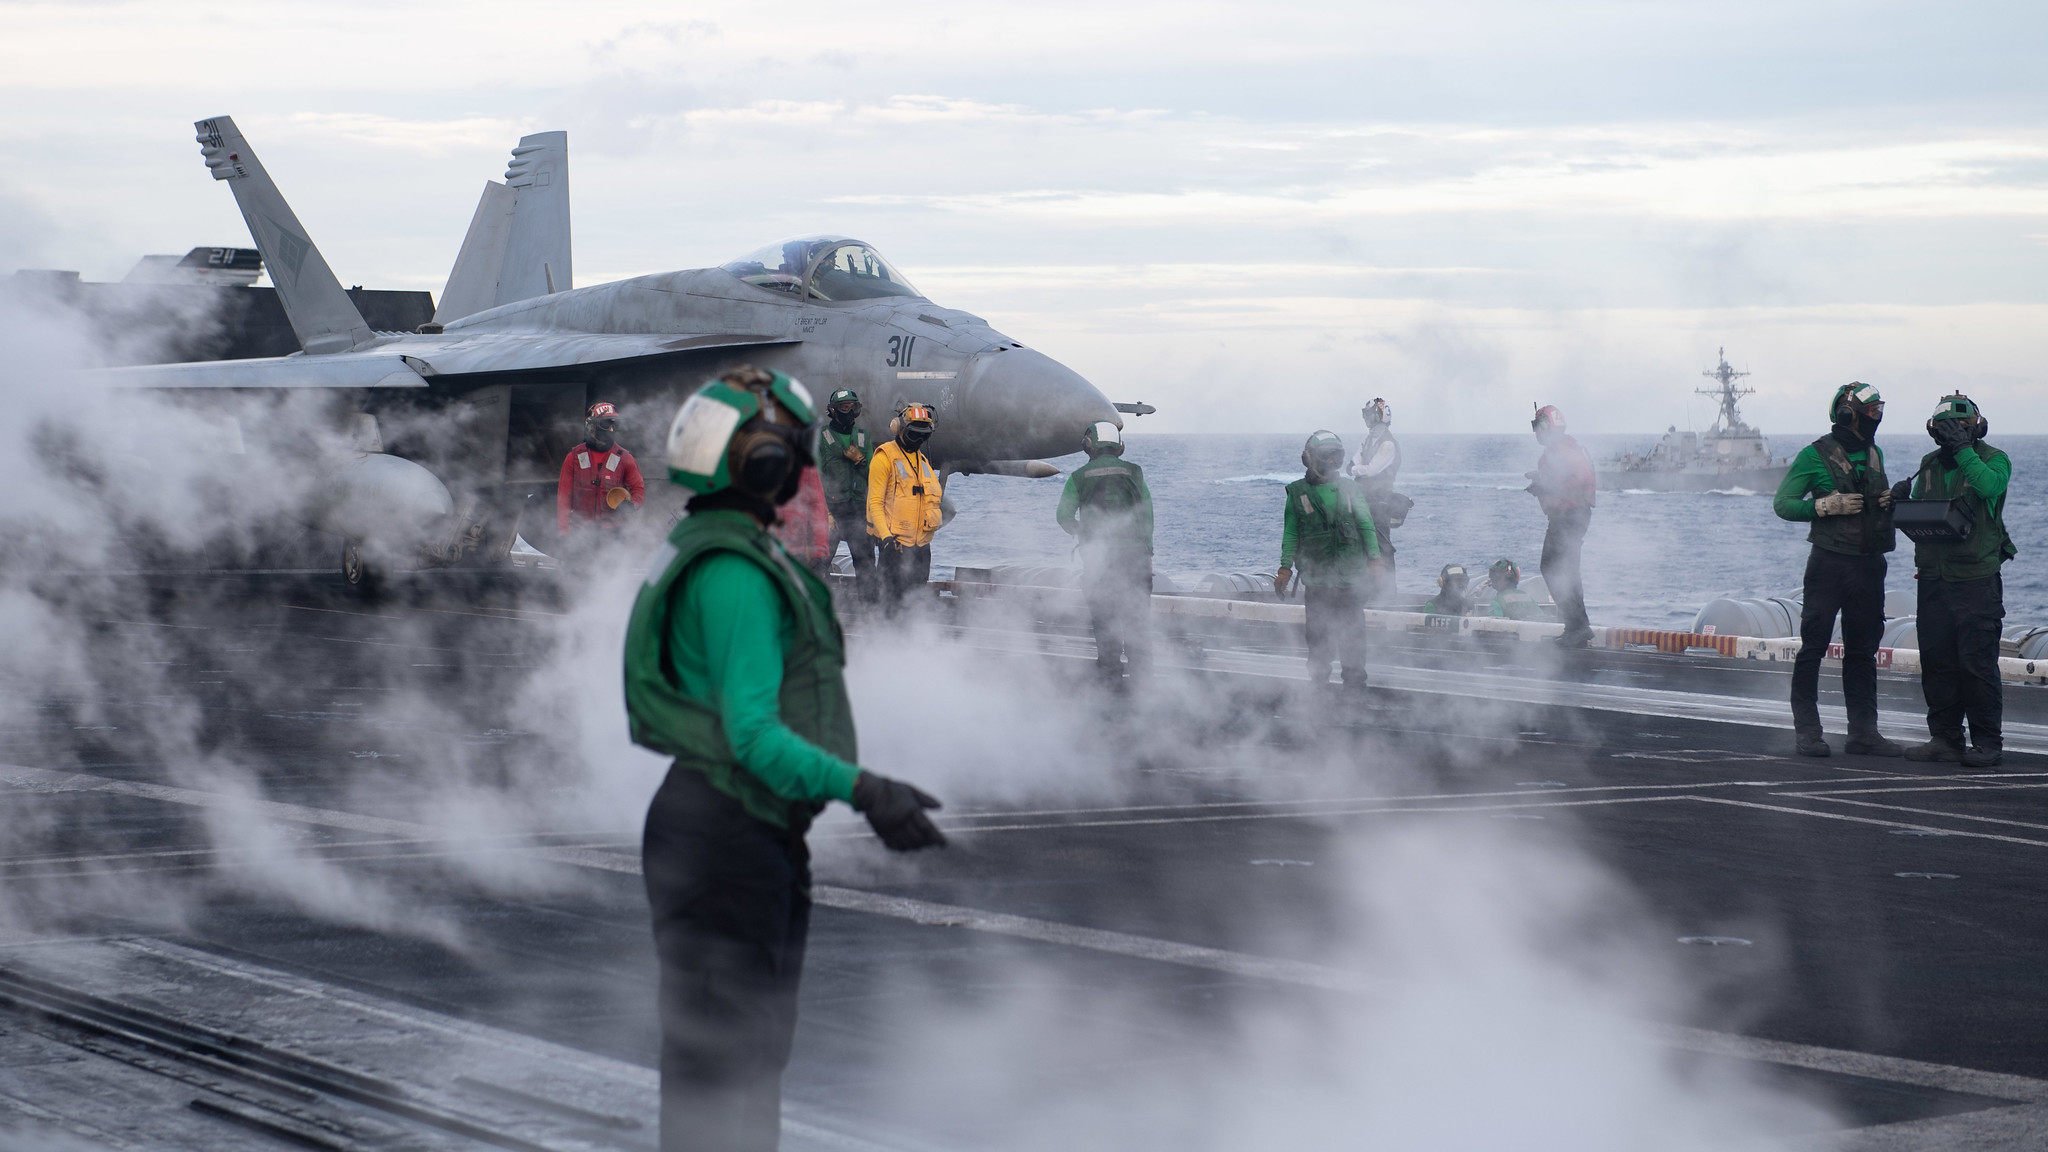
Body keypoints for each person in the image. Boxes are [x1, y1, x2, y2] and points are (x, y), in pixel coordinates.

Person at [624, 365, 946, 1152]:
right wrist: (865, 790)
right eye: (790, 450)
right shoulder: (735, 572)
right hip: (730, 835)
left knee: (723, 1059)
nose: (803, 465)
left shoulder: (708, 546)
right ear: (760, 461)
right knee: (731, 1064)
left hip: (716, 827)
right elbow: (753, 737)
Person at [1771, 382, 1902, 758]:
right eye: (1871, 411)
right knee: (1813, 647)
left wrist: (1886, 501)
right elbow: (1783, 504)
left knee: (1863, 651)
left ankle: (1864, 733)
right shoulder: (1813, 456)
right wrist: (1823, 507)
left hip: (1869, 566)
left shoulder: (1875, 453)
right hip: (1829, 564)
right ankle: (1808, 732)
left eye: (1879, 410)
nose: (1877, 417)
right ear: (1848, 415)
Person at [1895, 393, 2015, 767]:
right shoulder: (1929, 465)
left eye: (1960, 428)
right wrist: (1898, 503)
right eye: (1947, 430)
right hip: (1933, 579)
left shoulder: (1994, 460)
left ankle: (1987, 742)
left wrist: (1964, 450)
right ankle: (1944, 738)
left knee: (1976, 664)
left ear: (1976, 429)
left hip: (1975, 580)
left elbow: (1989, 487)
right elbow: (1924, 514)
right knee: (1937, 662)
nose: (1952, 435)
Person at [1276, 430, 1382, 692]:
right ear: (1310, 458)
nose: (1333, 462)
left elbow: (1366, 524)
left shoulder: (1350, 489)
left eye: (1336, 456)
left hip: (1349, 580)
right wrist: (1284, 568)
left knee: (1352, 634)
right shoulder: (1297, 493)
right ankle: (1318, 685)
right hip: (1318, 581)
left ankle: (1354, 687)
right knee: (1318, 635)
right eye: (1327, 456)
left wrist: (1375, 560)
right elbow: (1291, 533)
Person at [1056, 421, 1155, 688]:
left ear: (1088, 445)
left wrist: (1082, 532)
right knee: (1137, 623)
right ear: (1119, 446)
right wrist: (1147, 550)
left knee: (1105, 622)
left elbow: (1063, 515)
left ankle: (1110, 682)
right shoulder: (1134, 472)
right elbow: (1146, 513)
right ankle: (1144, 686)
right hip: (1136, 561)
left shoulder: (1079, 477)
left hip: (1099, 564)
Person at [1526, 404, 1596, 647]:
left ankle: (1577, 627)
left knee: (1554, 568)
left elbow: (1573, 482)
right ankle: (1577, 627)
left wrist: (1543, 485)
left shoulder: (1561, 451)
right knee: (1565, 569)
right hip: (1571, 516)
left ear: (1547, 426)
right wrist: (1542, 482)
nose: (1536, 432)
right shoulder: (1567, 449)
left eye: (1537, 426)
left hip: (1568, 516)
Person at [866, 401, 943, 612]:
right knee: (891, 605)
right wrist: (886, 539)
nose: (918, 440)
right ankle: (885, 632)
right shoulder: (884, 457)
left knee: (915, 604)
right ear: (899, 429)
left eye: (923, 436)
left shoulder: (922, 461)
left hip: (921, 548)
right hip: (895, 545)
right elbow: (875, 503)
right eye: (913, 434)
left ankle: (912, 633)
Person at [1347, 398, 1410, 601]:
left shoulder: (1388, 444)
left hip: (1379, 503)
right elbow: (1353, 462)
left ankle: (1386, 594)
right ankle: (1367, 591)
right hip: (1364, 500)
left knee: (1382, 546)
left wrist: (1356, 469)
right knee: (1362, 544)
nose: (1367, 418)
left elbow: (1371, 469)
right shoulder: (1369, 439)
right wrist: (1357, 468)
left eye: (1370, 414)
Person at [817, 389, 878, 597]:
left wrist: (860, 460)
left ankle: (871, 609)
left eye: (852, 407)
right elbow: (815, 477)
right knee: (820, 561)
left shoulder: (863, 437)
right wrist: (825, 512)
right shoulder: (821, 438)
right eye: (844, 407)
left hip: (858, 510)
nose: (849, 412)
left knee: (866, 562)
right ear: (833, 411)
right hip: (832, 510)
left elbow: (874, 475)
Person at [557, 401, 647, 538]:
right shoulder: (574, 457)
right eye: (605, 424)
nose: (610, 429)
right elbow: (563, 497)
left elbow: (638, 489)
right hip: (581, 534)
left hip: (612, 535)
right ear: (592, 426)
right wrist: (564, 531)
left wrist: (632, 505)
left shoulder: (625, 458)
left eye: (614, 425)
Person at [769, 465, 830, 575]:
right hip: (768, 543)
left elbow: (817, 505)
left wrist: (819, 546)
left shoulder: (805, 465)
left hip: (798, 548)